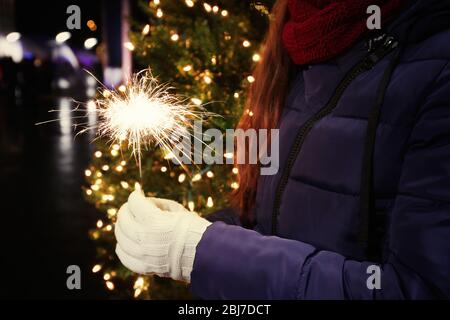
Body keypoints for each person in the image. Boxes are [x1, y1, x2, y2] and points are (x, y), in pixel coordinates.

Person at [114, 0, 450, 299]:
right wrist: (194, 229)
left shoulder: (436, 62)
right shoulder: (299, 43)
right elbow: (271, 223)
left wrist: (200, 250)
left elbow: (420, 287)